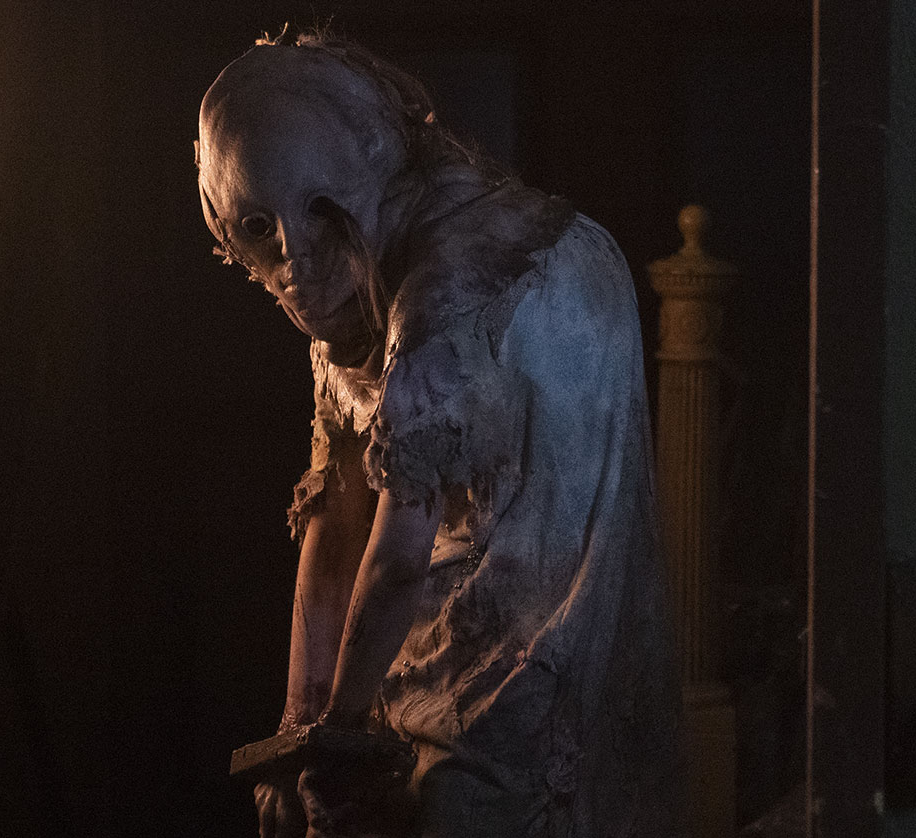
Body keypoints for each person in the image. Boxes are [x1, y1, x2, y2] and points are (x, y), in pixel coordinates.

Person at [194, 29, 683, 838]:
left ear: (359, 176)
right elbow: (334, 520)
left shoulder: (444, 299)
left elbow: (393, 561)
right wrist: (300, 731)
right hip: (453, 662)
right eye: (254, 228)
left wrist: (335, 746)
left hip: (522, 680)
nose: (291, 265)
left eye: (314, 216)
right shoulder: (364, 284)